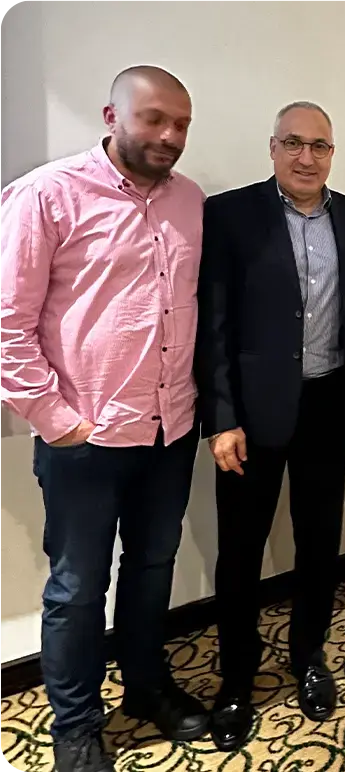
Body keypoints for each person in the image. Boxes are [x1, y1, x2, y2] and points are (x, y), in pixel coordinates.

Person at [0, 66, 208, 772]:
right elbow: (8, 325)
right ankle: (77, 725)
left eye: (181, 124)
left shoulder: (190, 200)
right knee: (77, 589)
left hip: (170, 429)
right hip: (85, 439)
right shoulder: (46, 194)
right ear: (112, 116)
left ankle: (146, 687)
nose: (170, 135)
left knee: (152, 570)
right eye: (154, 119)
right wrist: (56, 419)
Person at [193, 101, 345, 750]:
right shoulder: (229, 214)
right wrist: (221, 418)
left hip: (329, 408)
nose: (306, 157)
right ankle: (236, 679)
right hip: (250, 418)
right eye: (293, 144)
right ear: (272, 148)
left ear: (333, 153)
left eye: (319, 146)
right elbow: (213, 323)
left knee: (320, 542)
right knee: (241, 552)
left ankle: (309, 655)